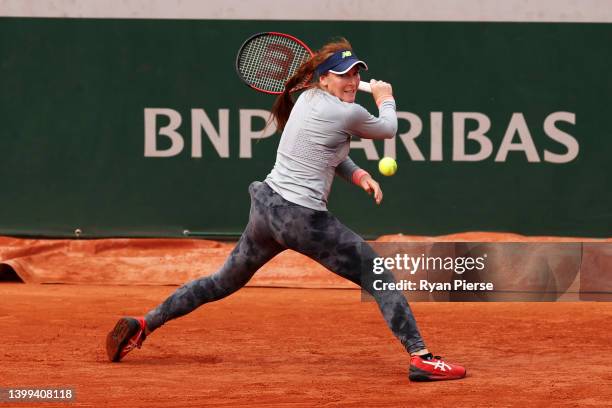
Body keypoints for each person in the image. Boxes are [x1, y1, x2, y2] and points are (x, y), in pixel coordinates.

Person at [106, 38, 466, 382]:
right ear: (324, 78)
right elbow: (388, 128)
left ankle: (144, 323)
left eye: (356, 73)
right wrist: (386, 98)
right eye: (344, 74)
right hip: (302, 219)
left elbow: (328, 154)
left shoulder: (309, 99)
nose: (353, 81)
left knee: (221, 282)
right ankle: (421, 357)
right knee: (379, 275)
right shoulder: (346, 111)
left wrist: (358, 176)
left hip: (267, 210)